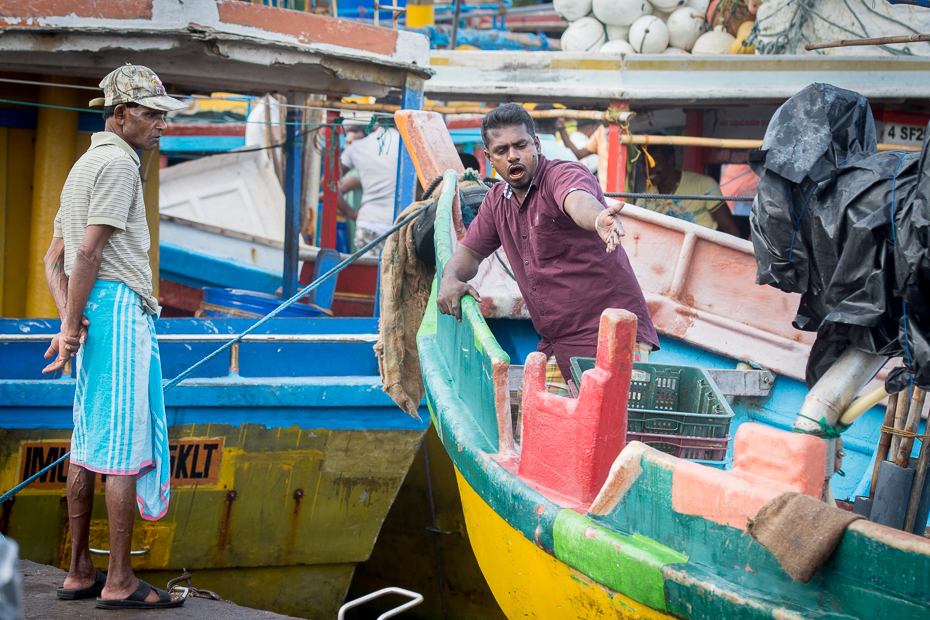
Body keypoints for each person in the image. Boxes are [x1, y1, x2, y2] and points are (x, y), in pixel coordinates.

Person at [42, 65, 186, 610]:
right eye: (151, 115)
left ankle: (80, 570)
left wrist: (70, 322)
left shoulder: (83, 164)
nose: (159, 125)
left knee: (87, 443)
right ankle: (121, 581)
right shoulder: (120, 164)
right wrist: (70, 324)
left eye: (161, 115)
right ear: (120, 115)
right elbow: (86, 254)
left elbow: (51, 260)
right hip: (120, 309)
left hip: (93, 311)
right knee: (122, 449)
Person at [437, 103, 659, 388]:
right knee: (536, 428)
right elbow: (470, 252)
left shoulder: (562, 175)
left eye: (520, 145)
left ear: (537, 145)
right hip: (558, 345)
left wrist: (597, 219)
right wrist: (450, 277)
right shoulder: (496, 200)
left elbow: (577, 199)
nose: (513, 155)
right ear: (489, 158)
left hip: (612, 337)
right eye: (502, 151)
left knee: (609, 430)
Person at [337, 99, 401, 257]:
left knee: (367, 275)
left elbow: (330, 183)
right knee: (394, 279)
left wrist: (351, 213)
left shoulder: (357, 146)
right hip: (399, 224)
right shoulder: (407, 144)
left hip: (367, 222)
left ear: (375, 118)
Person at [636, 144, 741, 236]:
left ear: (671, 160)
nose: (647, 170)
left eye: (654, 163)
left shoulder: (704, 185)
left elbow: (730, 229)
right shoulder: (643, 201)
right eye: (643, 164)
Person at [338, 124, 368, 252]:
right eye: (347, 142)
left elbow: (340, 187)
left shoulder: (361, 169)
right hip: (355, 228)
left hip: (364, 227)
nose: (347, 147)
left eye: (352, 143)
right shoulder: (351, 168)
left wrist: (351, 214)